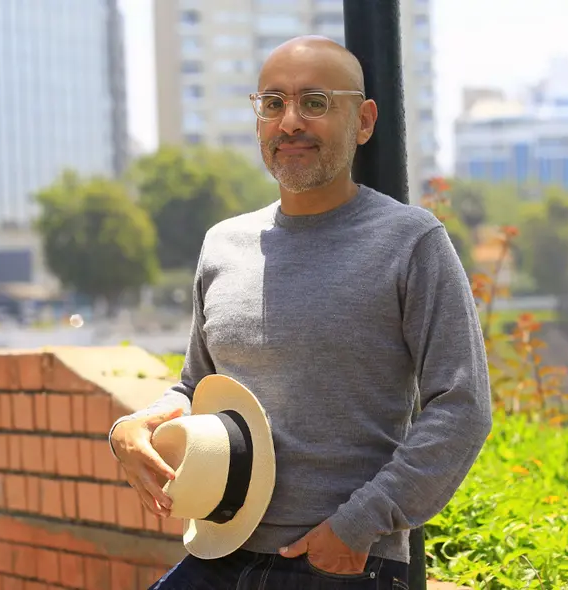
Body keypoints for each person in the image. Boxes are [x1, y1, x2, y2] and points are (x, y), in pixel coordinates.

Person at [109, 35, 492, 589]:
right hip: (220, 548)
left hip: (343, 563)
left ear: (362, 122)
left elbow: (462, 405)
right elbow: (197, 385)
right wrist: (132, 426)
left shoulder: (411, 241)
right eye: (272, 103)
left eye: (314, 102)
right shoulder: (223, 244)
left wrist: (360, 525)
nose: (289, 122)